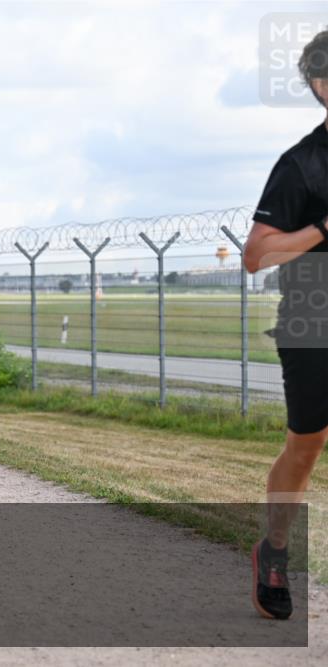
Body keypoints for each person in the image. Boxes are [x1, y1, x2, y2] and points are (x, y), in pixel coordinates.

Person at [243, 30, 328, 621]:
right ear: (321, 85)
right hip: (312, 313)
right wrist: (322, 229)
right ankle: (274, 550)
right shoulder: (302, 164)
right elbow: (257, 255)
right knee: (307, 444)